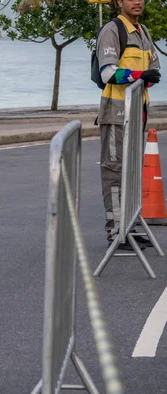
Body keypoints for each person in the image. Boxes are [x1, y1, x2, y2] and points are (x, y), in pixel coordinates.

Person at [97, 0, 161, 251]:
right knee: (115, 172)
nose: (137, 1)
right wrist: (138, 76)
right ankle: (116, 232)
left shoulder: (143, 32)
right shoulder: (113, 30)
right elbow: (107, 73)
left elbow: (154, 70)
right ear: (119, 2)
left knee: (132, 173)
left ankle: (130, 227)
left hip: (138, 115)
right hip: (116, 113)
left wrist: (148, 76)